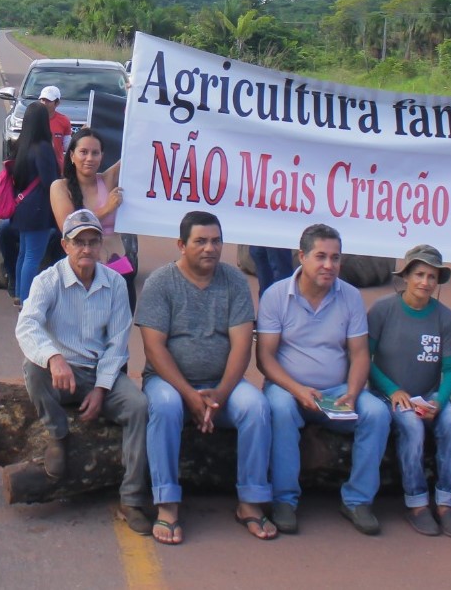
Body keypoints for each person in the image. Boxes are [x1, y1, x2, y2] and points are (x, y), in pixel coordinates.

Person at [138, 211, 274, 545]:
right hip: (169, 383)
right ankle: (167, 504)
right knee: (166, 407)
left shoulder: (234, 281)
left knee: (256, 406)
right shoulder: (160, 282)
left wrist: (220, 395)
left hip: (221, 386)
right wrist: (189, 395)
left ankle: (251, 501)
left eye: (216, 241)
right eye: (200, 241)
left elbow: (242, 346)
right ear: (181, 244)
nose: (209, 248)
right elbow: (154, 349)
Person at [16, 208, 153, 534]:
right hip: (61, 374)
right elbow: (27, 325)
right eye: (79, 242)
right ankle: (58, 434)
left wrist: (102, 388)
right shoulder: (47, 281)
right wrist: (53, 357)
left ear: (100, 245)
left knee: (138, 408)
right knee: (32, 370)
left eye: (93, 242)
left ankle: (132, 499)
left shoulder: (116, 284)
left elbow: (118, 342)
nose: (87, 249)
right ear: (65, 245)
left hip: (101, 374)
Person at [257, 224, 390, 537]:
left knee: (378, 413)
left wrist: (354, 393)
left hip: (337, 390)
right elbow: (265, 358)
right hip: (288, 388)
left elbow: (359, 355)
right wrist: (297, 389)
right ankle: (285, 500)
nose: (329, 265)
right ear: (301, 256)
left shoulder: (351, 297)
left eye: (335, 257)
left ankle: (358, 500)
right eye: (320, 256)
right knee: (279, 408)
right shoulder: (276, 295)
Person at [367, 244, 451, 537]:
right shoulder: (383, 309)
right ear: (406, 276)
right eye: (419, 274)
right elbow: (364, 359)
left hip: (430, 395)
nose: (425, 282)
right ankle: (417, 502)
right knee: (410, 425)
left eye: (432, 277)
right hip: (390, 395)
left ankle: (447, 501)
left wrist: (439, 400)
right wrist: (392, 389)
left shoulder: (445, 317)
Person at [49, 128, 133, 309]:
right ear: (72, 155)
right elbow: (67, 225)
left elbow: (137, 152)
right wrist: (107, 209)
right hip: (81, 273)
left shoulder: (107, 180)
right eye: (83, 152)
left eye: (95, 153)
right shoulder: (59, 187)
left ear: (102, 156)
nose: (89, 158)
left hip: (118, 269)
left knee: (118, 331)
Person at [9, 103, 61, 306]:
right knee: (33, 256)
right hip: (38, 207)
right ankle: (26, 300)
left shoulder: (21, 145)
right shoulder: (44, 148)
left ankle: (19, 294)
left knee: (24, 253)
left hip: (21, 205)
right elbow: (51, 182)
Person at [39, 86, 73, 163]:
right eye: (43, 100)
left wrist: (79, 138)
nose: (44, 103)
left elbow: (67, 146)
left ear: (57, 103)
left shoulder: (64, 120)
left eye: (48, 101)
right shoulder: (33, 118)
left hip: (57, 168)